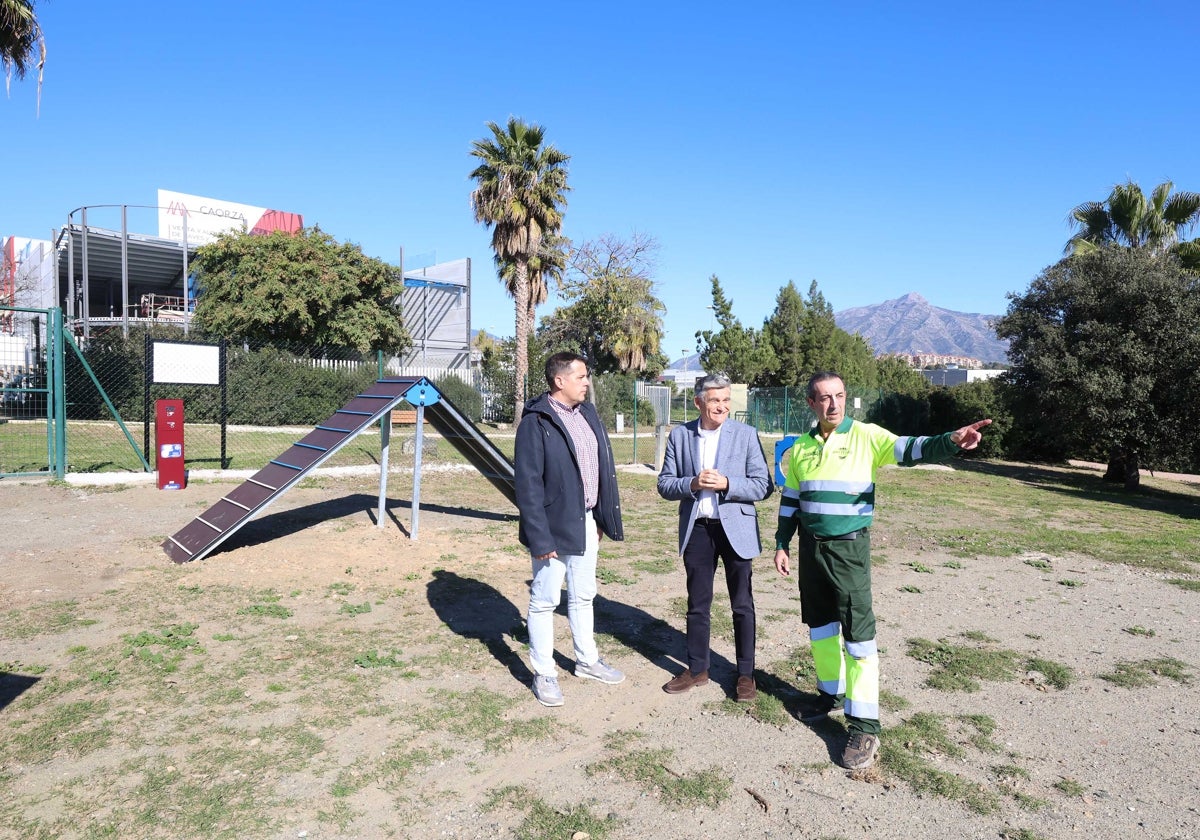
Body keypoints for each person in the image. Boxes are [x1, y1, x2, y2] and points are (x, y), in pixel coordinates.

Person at [773, 371, 991, 770]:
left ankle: (864, 725)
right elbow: (791, 500)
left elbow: (910, 448)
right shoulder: (801, 448)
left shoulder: (867, 436)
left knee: (858, 639)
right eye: (824, 398)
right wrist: (782, 543)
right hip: (810, 551)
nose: (833, 404)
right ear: (811, 403)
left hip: (849, 552)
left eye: (839, 395)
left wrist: (951, 441)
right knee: (820, 629)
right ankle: (829, 696)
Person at [515, 352, 626, 707]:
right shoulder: (536, 421)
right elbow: (528, 485)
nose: (587, 382)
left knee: (583, 595)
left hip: (587, 522)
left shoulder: (587, 414)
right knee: (545, 600)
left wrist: (601, 518)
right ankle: (544, 672)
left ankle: (587, 660)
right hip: (552, 527)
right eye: (580, 377)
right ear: (559, 380)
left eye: (586, 376)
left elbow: (602, 465)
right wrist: (539, 536)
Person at [657, 372, 773, 702]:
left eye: (725, 400)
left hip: (735, 527)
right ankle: (697, 669)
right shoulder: (680, 436)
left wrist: (727, 484)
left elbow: (763, 485)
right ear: (698, 403)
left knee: (741, 604)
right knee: (698, 603)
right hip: (698, 529)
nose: (721, 407)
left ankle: (746, 674)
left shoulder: (746, 435)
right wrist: (692, 483)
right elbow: (665, 484)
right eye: (714, 401)